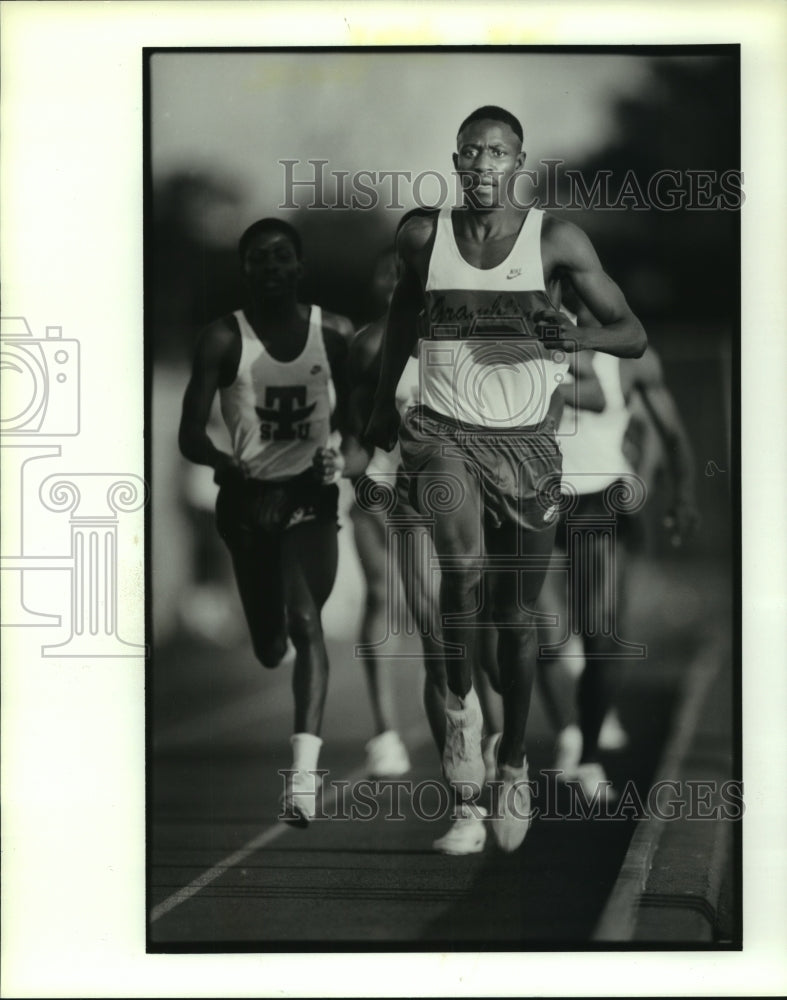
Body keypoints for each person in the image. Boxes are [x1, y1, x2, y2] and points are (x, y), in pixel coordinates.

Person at [364, 106, 646, 852]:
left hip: (526, 448)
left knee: (515, 622)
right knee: (459, 568)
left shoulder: (555, 239)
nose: (484, 164)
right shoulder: (423, 234)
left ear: (518, 162)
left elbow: (632, 332)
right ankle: (460, 714)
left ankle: (513, 759)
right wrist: (375, 412)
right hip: (440, 433)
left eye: (499, 152)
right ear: (455, 160)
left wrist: (577, 333)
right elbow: (399, 320)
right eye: (472, 152)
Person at [178, 217, 350, 827]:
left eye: (283, 256)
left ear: (299, 267)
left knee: (306, 623)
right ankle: (268, 630)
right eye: (259, 258)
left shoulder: (333, 332)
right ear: (245, 269)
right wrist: (224, 462)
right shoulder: (223, 339)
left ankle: (301, 780)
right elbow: (189, 434)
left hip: (310, 496)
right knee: (269, 645)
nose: (272, 267)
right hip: (248, 503)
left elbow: (360, 420)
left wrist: (342, 455)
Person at [537, 291, 699, 798]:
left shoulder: (630, 360)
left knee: (601, 637)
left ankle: (587, 755)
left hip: (599, 502)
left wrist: (683, 496)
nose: (578, 304)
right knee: (537, 631)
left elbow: (670, 432)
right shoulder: (523, 349)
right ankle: (567, 731)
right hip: (532, 499)